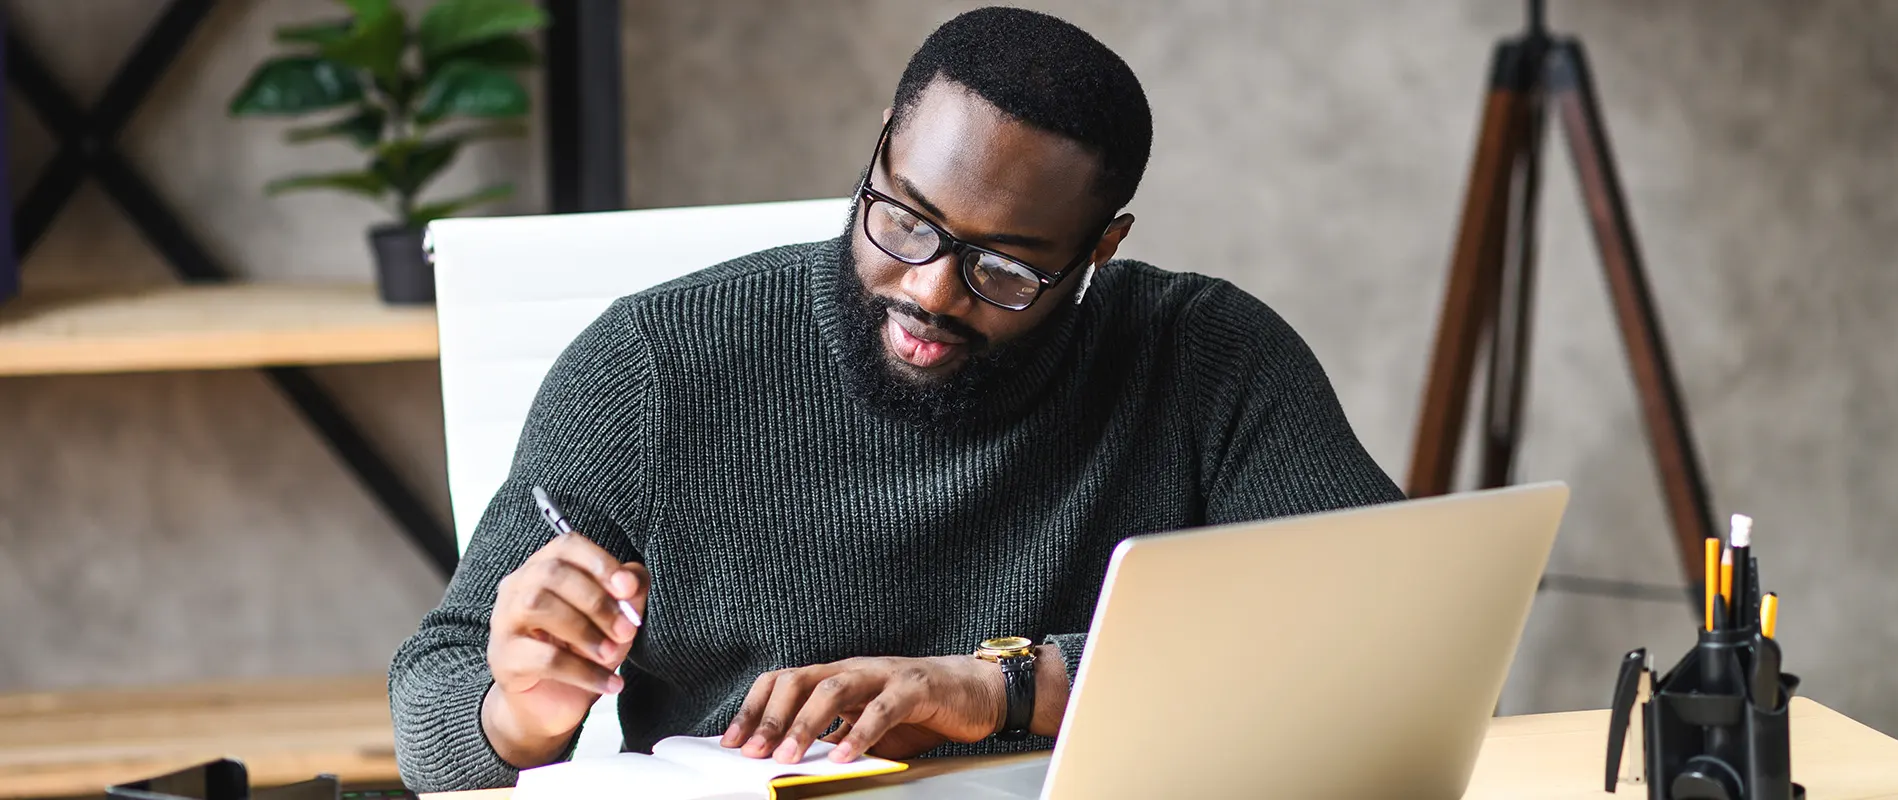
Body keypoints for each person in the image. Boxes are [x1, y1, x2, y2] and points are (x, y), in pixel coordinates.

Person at [387, 6, 1401, 791]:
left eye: (1004, 267)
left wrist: (997, 685)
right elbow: (432, 711)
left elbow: (1380, 633)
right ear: (881, 147)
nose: (928, 289)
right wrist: (519, 708)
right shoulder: (655, 364)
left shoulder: (1205, 358)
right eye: (903, 219)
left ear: (1100, 248)